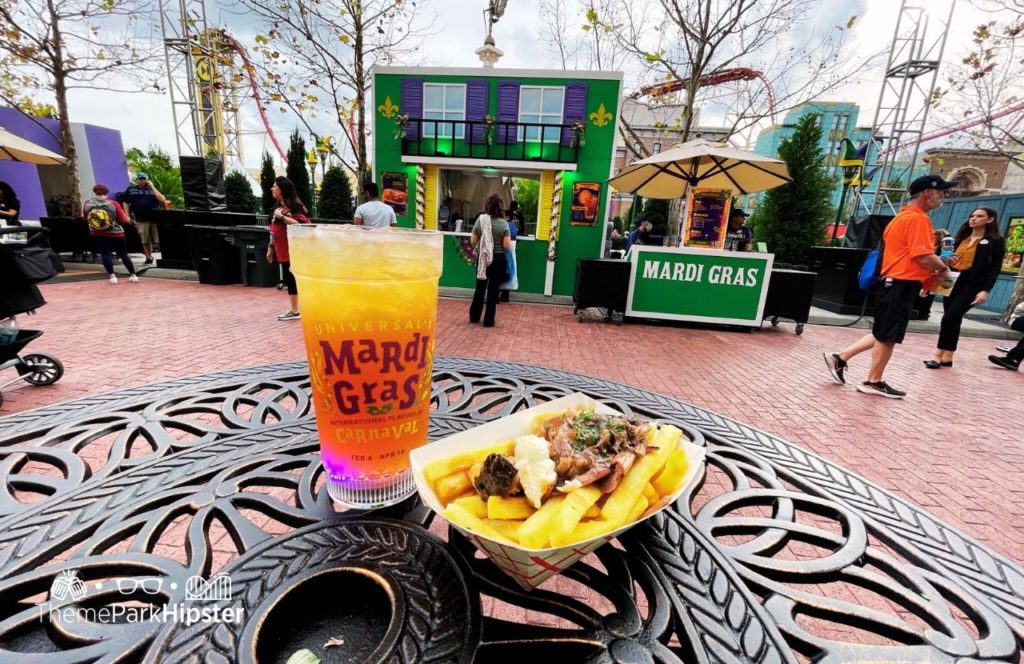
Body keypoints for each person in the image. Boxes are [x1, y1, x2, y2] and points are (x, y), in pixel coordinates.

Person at [823, 174, 959, 399]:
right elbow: (923, 257)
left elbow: (913, 255)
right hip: (900, 283)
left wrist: (937, 264)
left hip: (892, 282)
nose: (944, 196)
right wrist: (942, 269)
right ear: (928, 192)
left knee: (884, 331)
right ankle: (873, 380)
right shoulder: (918, 220)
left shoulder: (901, 217)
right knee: (888, 336)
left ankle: (842, 357)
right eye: (941, 191)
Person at [925, 207, 1005, 368]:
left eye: (979, 216)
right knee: (952, 318)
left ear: (990, 219)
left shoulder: (994, 241)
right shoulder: (960, 237)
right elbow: (942, 257)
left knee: (950, 317)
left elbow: (995, 268)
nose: (973, 219)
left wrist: (985, 290)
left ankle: (938, 354)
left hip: (973, 284)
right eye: (972, 216)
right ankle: (948, 356)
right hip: (952, 279)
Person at [266, 177, 311, 321]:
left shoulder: (295, 206)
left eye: (275, 187)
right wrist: (270, 247)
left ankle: (295, 310)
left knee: (293, 279)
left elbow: (301, 225)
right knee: (289, 278)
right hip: (283, 249)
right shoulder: (277, 206)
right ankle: (294, 309)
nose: (272, 189)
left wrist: (282, 217)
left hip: (295, 250)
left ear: (283, 189)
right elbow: (273, 229)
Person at [468, 194, 511, 327]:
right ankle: (488, 321)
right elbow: (506, 245)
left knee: (480, 289)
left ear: (487, 206)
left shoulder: (480, 220)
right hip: (498, 260)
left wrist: (484, 247)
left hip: (483, 259)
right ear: (500, 207)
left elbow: (473, 242)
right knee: (493, 290)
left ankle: (474, 317)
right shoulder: (504, 223)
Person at [83, 184, 139, 285]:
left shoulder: (87, 203)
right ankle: (133, 275)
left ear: (95, 192)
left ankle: (112, 277)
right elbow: (122, 220)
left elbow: (84, 217)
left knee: (105, 254)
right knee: (123, 254)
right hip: (116, 233)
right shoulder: (113, 204)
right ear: (107, 192)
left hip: (97, 233)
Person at [122, 173, 166, 265]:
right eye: (140, 179)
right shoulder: (131, 189)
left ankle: (164, 257)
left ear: (147, 179)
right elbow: (125, 202)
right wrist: (127, 215)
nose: (142, 180)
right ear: (137, 180)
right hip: (141, 218)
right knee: (145, 239)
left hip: (155, 218)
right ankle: (148, 257)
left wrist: (152, 187)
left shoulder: (153, 188)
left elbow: (162, 199)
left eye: (144, 179)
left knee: (159, 239)